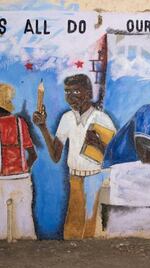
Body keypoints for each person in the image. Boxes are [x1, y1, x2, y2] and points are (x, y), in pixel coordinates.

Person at [32, 74, 116, 240]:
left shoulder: (101, 119)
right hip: (75, 177)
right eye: (67, 92)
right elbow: (56, 155)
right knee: (74, 222)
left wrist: (98, 144)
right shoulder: (67, 118)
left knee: (92, 222)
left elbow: (113, 156)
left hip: (96, 177)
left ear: (88, 93)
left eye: (76, 91)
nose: (70, 97)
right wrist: (42, 127)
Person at [0, 83, 38, 240]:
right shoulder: (19, 123)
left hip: (1, 179)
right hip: (21, 178)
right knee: (24, 222)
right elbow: (33, 155)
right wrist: (25, 169)